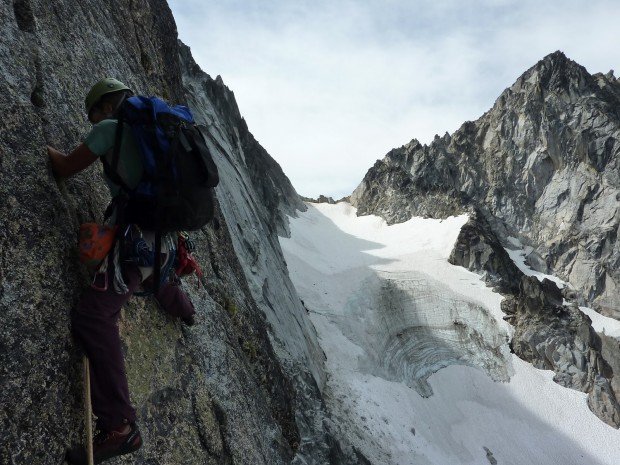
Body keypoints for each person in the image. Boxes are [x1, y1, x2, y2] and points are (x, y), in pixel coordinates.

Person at [48, 78, 196, 464]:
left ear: (102, 109)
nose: (93, 120)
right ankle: (186, 310)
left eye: (92, 114)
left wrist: (41, 147)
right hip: (165, 240)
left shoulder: (108, 129)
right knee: (158, 277)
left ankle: (120, 428)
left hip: (139, 240)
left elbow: (64, 167)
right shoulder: (157, 135)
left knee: (94, 317)